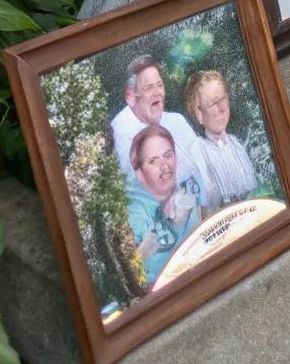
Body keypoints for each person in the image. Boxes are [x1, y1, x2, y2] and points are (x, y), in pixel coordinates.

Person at [124, 126, 202, 287]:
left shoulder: (190, 189)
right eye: (153, 161)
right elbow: (125, 275)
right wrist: (142, 252)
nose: (165, 165)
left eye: (168, 155)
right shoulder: (133, 210)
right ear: (139, 172)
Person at [110, 55, 202, 182]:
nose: (157, 92)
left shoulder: (177, 120)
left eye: (159, 85)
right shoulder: (122, 129)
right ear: (130, 96)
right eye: (148, 87)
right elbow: (143, 186)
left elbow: (204, 163)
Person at [183, 70, 258, 211]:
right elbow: (209, 202)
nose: (221, 108)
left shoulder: (235, 143)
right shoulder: (197, 150)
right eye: (213, 104)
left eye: (223, 100)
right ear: (198, 114)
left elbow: (253, 187)